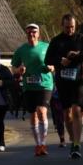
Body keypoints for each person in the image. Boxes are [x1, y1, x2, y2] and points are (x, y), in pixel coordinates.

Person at [45, 14, 83, 159]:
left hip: (79, 80)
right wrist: (60, 60)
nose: (70, 30)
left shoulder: (81, 39)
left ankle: (76, 144)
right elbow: (47, 59)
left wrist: (79, 54)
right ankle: (73, 138)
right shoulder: (56, 41)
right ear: (62, 26)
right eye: (67, 27)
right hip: (63, 81)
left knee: (76, 110)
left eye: (72, 27)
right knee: (67, 114)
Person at [11, 23, 55, 156]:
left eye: (34, 31)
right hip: (29, 86)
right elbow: (13, 68)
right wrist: (19, 70)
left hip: (45, 84)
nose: (31, 34)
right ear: (26, 34)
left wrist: (51, 67)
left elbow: (55, 63)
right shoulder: (21, 50)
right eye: (29, 32)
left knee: (41, 111)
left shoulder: (46, 47)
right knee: (33, 115)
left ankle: (43, 143)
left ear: (38, 33)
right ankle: (38, 144)